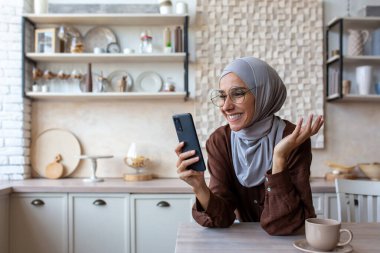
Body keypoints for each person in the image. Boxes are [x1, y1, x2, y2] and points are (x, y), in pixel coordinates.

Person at [175, 57, 324, 236]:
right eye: (222, 96)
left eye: (237, 93)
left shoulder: (292, 138)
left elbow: (285, 225)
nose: (226, 106)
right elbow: (221, 218)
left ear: (264, 94)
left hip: (292, 241)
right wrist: (199, 186)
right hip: (245, 241)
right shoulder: (220, 140)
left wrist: (279, 157)